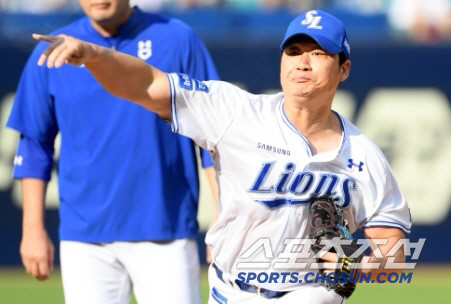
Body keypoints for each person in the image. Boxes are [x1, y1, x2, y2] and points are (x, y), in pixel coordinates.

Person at [27, 9, 411, 304]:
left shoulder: (364, 157)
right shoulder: (235, 113)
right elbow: (146, 83)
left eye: (318, 53)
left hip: (309, 293)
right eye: (293, 51)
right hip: (232, 290)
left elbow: (392, 249)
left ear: (343, 69)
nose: (302, 62)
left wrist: (361, 265)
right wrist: (95, 55)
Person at [7, 1, 219, 304]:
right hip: (85, 237)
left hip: (165, 227)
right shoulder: (52, 49)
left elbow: (214, 132)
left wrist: (223, 215)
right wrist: (32, 229)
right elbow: (34, 145)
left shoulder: (177, 38)